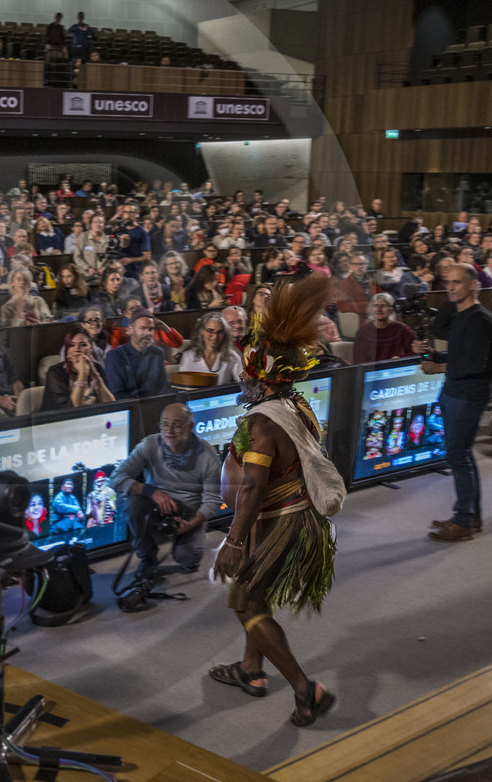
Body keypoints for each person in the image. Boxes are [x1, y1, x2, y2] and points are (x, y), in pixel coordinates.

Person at [208, 277, 337, 725]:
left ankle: (306, 690)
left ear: (261, 378)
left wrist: (234, 541)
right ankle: (251, 670)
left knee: (246, 603)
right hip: (299, 518)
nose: (241, 380)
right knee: (255, 592)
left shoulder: (260, 423)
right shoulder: (296, 404)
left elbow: (251, 489)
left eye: (247, 373)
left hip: (282, 522)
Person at [414, 264, 492, 541]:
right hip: (454, 391)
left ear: (473, 285)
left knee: (458, 455)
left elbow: (478, 364)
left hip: (467, 394)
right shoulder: (462, 316)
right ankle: (470, 516)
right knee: (462, 454)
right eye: (447, 282)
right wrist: (434, 356)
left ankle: (463, 521)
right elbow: (459, 355)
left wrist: (439, 368)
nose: (450, 287)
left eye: (457, 282)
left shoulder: (479, 319)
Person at [115, 403, 218, 578]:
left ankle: (184, 539)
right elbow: (117, 478)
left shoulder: (208, 454)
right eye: (164, 423)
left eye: (177, 424)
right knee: (132, 502)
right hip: (157, 506)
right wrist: (151, 491)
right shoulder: (149, 445)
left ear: (190, 427)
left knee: (188, 560)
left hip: (190, 513)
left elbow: (213, 500)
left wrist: (191, 524)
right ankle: (147, 556)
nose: (169, 430)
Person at [42, 327, 115, 411]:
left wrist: (95, 375)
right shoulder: (55, 372)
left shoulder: (97, 367)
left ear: (91, 348)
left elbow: (111, 404)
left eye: (83, 345)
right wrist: (82, 373)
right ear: (67, 350)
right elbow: (72, 410)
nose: (77, 349)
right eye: (72, 345)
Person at [107, 311, 171, 399]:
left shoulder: (158, 353)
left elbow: (162, 387)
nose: (148, 333)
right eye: (143, 328)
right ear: (130, 330)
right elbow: (117, 394)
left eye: (151, 329)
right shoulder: (115, 356)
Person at [176, 312, 240, 385]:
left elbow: (244, 385)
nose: (215, 337)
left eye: (220, 332)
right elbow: (183, 388)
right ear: (202, 331)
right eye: (210, 331)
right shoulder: (188, 357)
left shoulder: (232, 357)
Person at [352, 293, 417, 365]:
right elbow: (359, 362)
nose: (379, 309)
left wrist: (400, 359)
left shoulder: (402, 329)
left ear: (391, 309)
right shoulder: (363, 333)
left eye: (383, 306)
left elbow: (415, 354)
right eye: (376, 306)